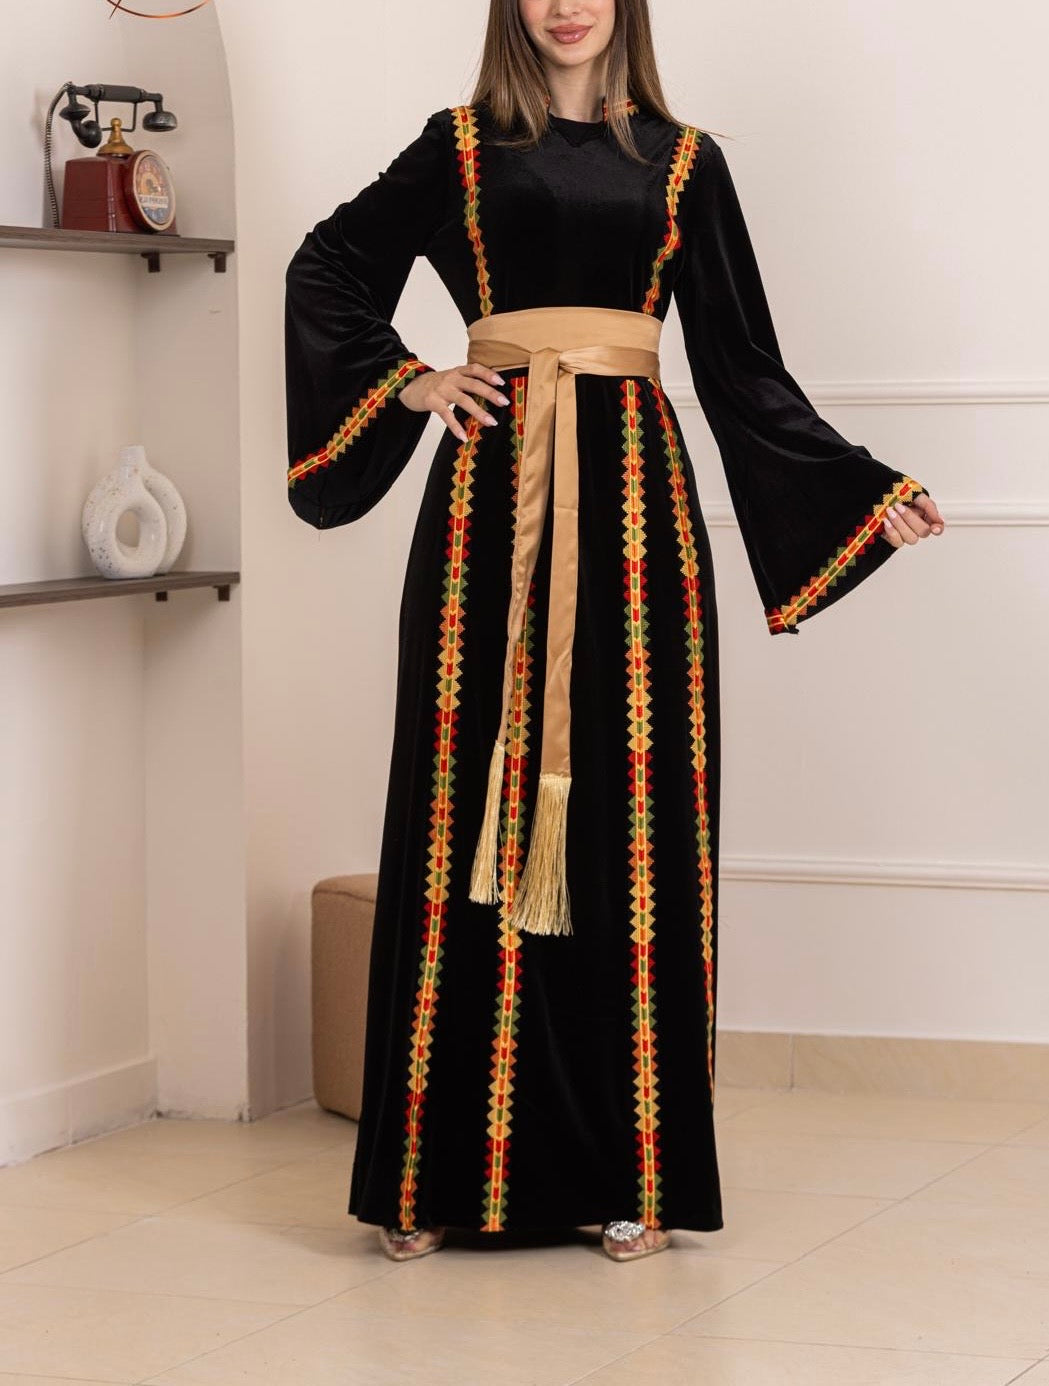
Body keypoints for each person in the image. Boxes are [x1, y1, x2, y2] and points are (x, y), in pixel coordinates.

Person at [283, 0, 945, 1265]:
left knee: (632, 823)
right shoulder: (460, 147)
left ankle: (630, 1171)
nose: (566, 3)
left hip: (639, 516)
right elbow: (326, 267)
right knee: (462, 806)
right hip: (487, 510)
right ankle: (430, 1176)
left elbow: (744, 367)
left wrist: (863, 490)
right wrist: (412, 379)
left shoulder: (687, 164)